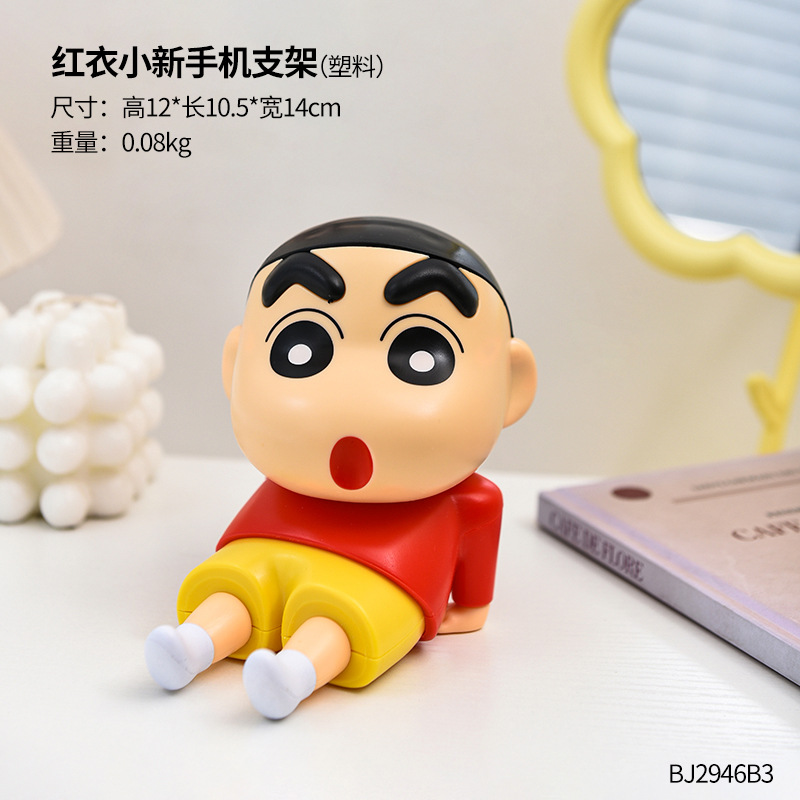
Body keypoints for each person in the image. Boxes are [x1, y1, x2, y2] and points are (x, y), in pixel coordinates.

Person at [145, 217, 537, 719]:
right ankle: (193, 645)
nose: (351, 393)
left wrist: (472, 608)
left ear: (512, 385)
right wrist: (471, 612)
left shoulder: (469, 499)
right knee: (235, 586)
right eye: (301, 347)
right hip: (273, 536)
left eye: (420, 354)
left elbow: (475, 567)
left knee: (341, 616)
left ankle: (296, 674)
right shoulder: (286, 481)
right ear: (235, 365)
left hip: (389, 573)